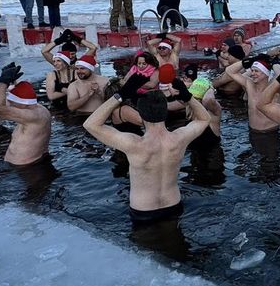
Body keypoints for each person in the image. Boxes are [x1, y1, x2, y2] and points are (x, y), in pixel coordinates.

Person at [84, 83, 210, 224]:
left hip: (143, 211)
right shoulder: (179, 139)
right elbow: (204, 119)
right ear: (166, 111)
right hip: (173, 205)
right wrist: (188, 97)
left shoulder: (133, 144)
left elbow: (90, 124)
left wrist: (119, 96)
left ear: (141, 113)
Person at [0, 63, 52, 166]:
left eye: (12, 103)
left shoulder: (33, 116)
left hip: (28, 168)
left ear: (23, 104)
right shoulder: (36, 108)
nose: (10, 105)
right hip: (25, 165)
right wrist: (11, 82)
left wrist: (3, 81)